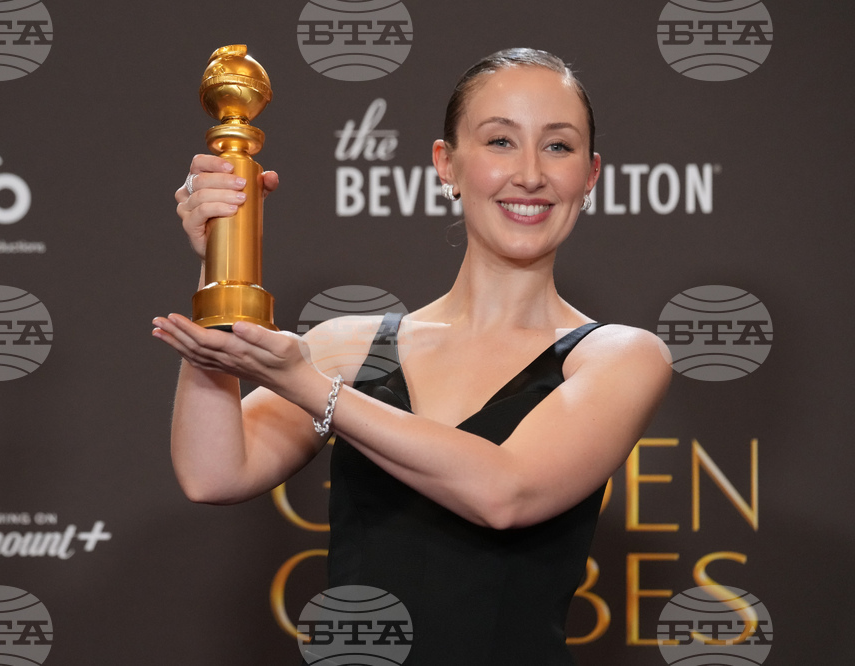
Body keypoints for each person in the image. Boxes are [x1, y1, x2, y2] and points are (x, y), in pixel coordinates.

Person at [152, 48, 671, 665]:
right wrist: (217, 269)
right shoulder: (346, 345)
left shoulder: (619, 355)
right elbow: (213, 474)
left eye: (558, 146)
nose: (530, 174)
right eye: (500, 142)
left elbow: (506, 494)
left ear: (590, 176)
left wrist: (310, 387)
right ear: (446, 164)